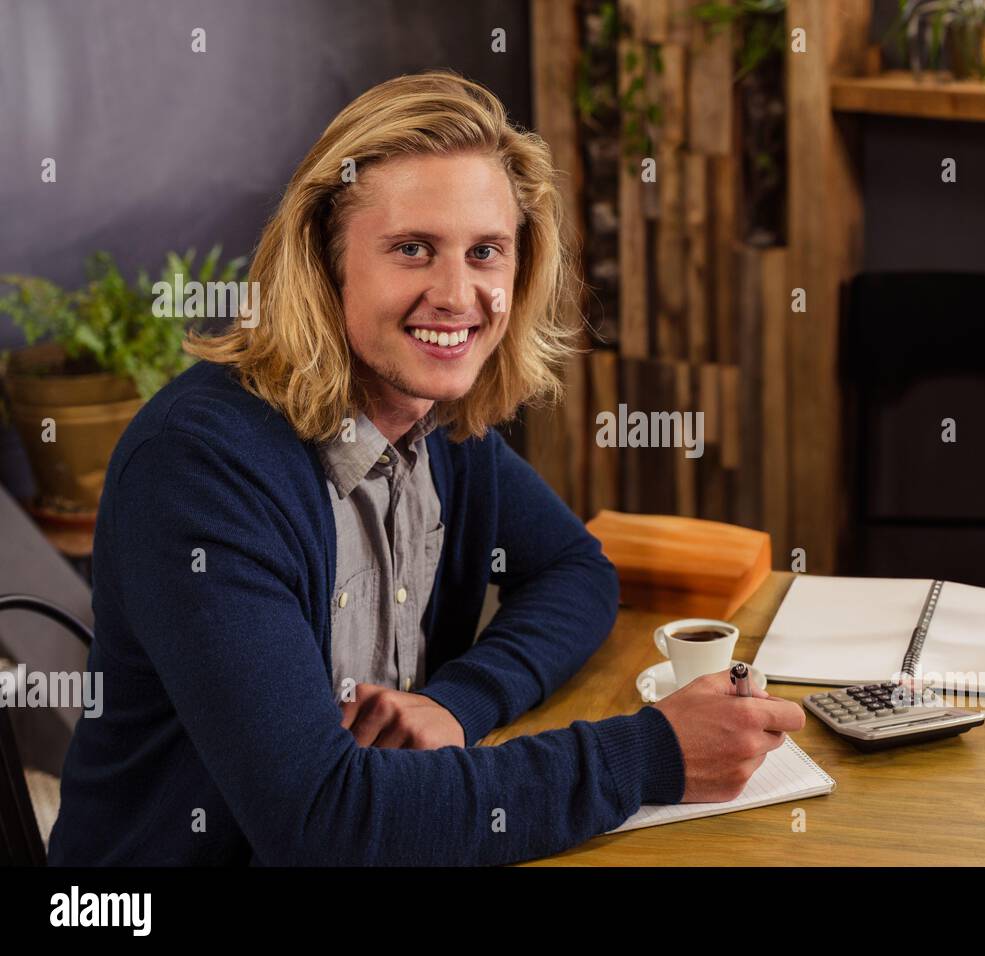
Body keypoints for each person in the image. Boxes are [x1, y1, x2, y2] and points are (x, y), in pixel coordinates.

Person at [48, 70, 804, 865]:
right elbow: (324, 823)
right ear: (325, 261)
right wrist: (651, 755)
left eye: (486, 252)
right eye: (412, 249)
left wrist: (458, 702)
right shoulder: (201, 468)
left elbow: (575, 569)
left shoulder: (437, 421)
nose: (457, 294)